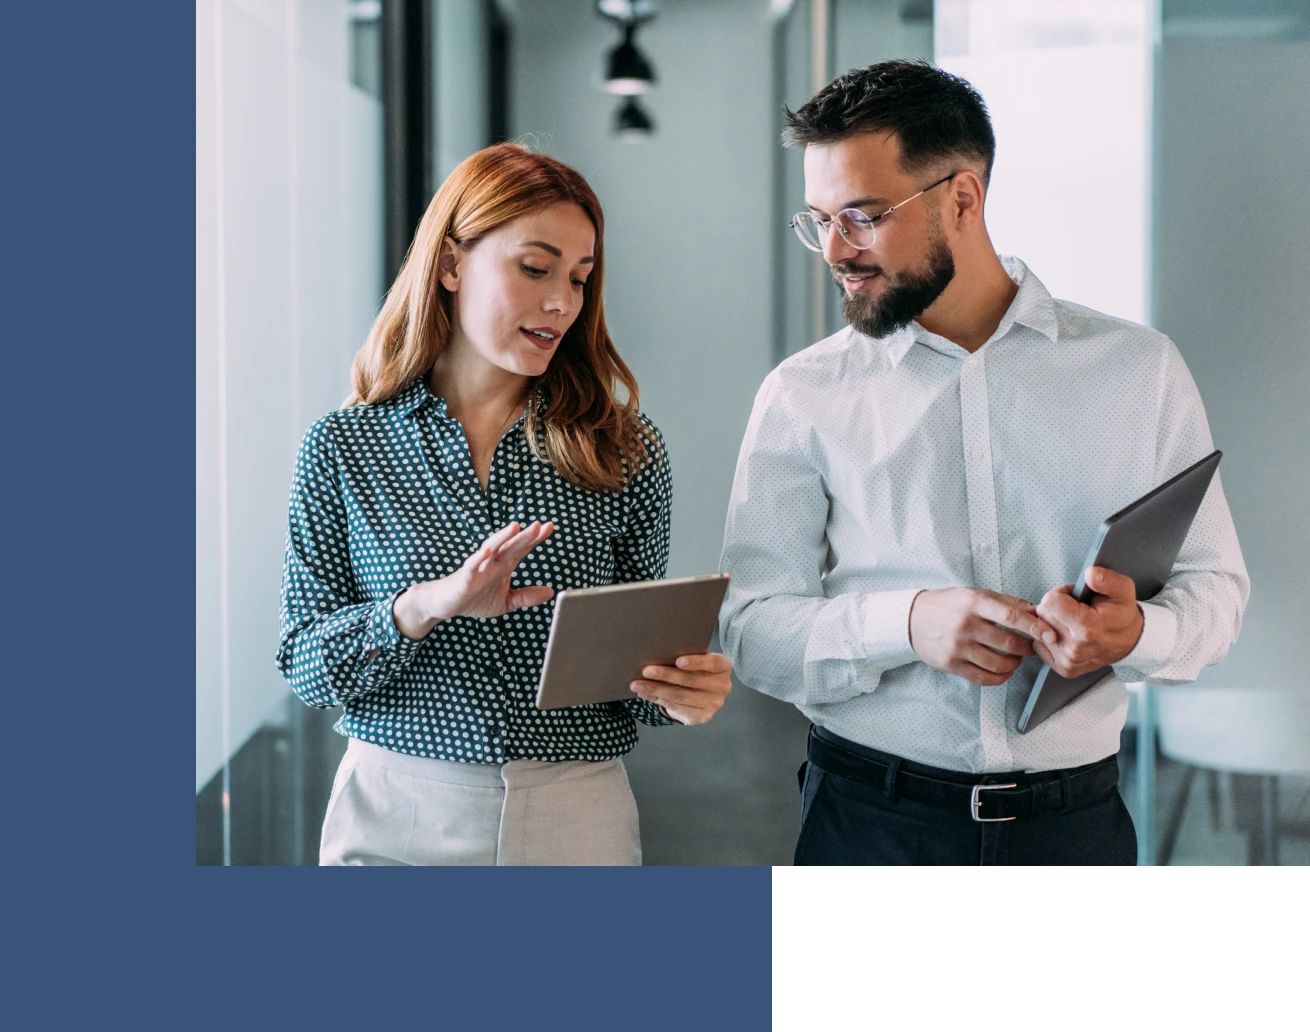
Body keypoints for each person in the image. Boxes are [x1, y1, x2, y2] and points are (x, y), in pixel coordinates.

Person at [718, 60, 1248, 867]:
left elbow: (1216, 591)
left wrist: (1135, 631)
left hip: (1079, 827)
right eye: (818, 219)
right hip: (871, 823)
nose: (834, 250)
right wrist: (907, 623)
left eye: (861, 216)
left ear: (962, 198)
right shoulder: (803, 393)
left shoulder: (1138, 369)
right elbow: (751, 628)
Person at [277, 143, 732, 866]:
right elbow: (306, 666)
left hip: (576, 814)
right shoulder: (345, 446)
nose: (562, 301)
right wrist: (423, 606)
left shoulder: (624, 448)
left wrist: (682, 690)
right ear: (452, 264)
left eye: (580, 278)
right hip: (395, 809)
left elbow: (637, 686)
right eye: (535, 267)